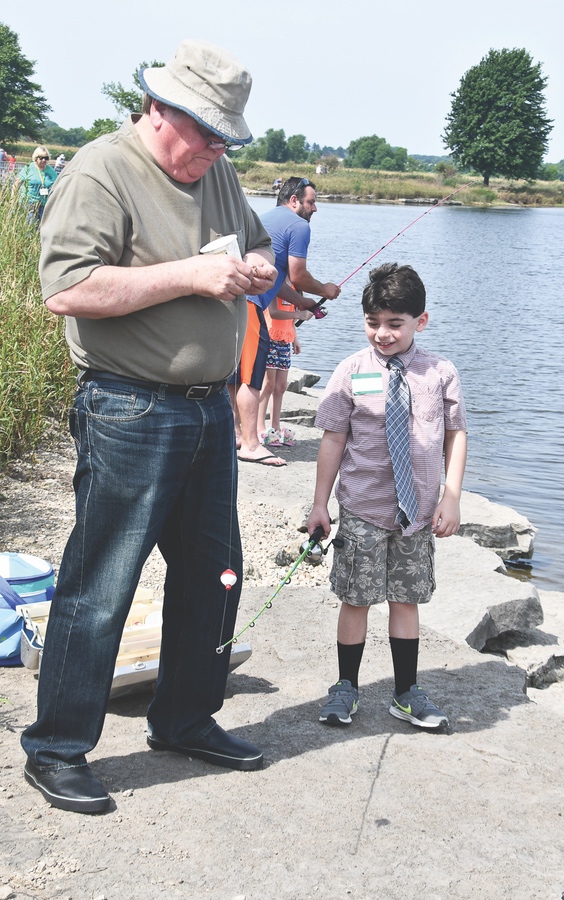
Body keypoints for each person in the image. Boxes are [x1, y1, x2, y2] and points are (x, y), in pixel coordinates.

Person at [21, 39, 278, 815]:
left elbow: (258, 242)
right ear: (161, 109)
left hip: (207, 406)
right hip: (129, 408)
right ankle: (57, 749)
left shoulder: (217, 172)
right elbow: (65, 289)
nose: (216, 149)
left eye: (227, 138)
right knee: (101, 585)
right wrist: (191, 274)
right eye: (207, 133)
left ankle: (185, 718)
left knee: (217, 577)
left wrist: (259, 269)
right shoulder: (100, 170)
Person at [306, 262, 467, 730]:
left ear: (422, 320)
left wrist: (451, 495)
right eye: (373, 323)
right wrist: (320, 503)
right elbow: (333, 439)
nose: (382, 333)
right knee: (356, 598)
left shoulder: (440, 372)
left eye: (395, 324)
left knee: (405, 598)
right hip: (362, 507)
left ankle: (405, 692)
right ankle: (345, 687)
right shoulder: (351, 371)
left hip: (417, 513)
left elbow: (455, 436)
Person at [230, 176, 341, 466]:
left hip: (233, 302)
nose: (315, 209)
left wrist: (302, 301)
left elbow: (276, 279)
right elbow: (299, 273)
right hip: (251, 304)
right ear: (294, 201)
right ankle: (252, 445)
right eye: (311, 202)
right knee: (252, 375)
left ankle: (236, 434)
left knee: (233, 373)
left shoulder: (265, 218)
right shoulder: (299, 226)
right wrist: (324, 290)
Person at [257, 288, 309, 447]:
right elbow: (273, 312)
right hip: (270, 338)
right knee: (268, 384)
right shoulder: (276, 284)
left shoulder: (296, 289)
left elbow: (292, 320)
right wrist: (298, 315)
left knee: (280, 386)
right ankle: (259, 428)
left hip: (285, 340)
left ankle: (276, 427)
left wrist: (295, 339)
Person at [12, 146, 58, 224]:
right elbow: (17, 183)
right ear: (36, 158)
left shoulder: (51, 171)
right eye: (41, 158)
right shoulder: (29, 167)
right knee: (30, 225)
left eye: (46, 158)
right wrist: (13, 198)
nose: (44, 160)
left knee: (41, 227)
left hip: (43, 204)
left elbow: (58, 184)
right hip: (28, 202)